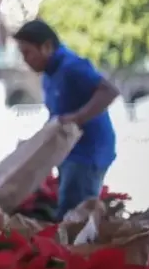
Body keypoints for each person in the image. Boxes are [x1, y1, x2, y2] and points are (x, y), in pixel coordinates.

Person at [12, 19, 120, 220]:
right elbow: (57, 117)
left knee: (73, 219)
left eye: (27, 52)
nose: (25, 59)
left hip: (87, 153)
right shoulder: (49, 75)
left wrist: (78, 117)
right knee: (68, 215)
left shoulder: (72, 66)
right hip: (68, 152)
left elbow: (109, 92)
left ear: (46, 47)